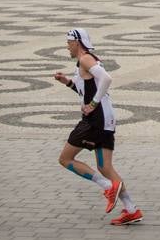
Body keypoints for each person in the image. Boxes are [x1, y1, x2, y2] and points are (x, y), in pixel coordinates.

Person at [54, 28, 143, 226]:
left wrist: (93, 104)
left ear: (77, 42)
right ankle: (131, 209)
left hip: (95, 119)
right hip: (106, 119)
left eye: (68, 42)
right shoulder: (87, 60)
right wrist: (67, 82)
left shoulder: (85, 59)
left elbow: (106, 79)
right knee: (104, 167)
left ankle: (107, 187)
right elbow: (86, 89)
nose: (67, 46)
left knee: (65, 159)